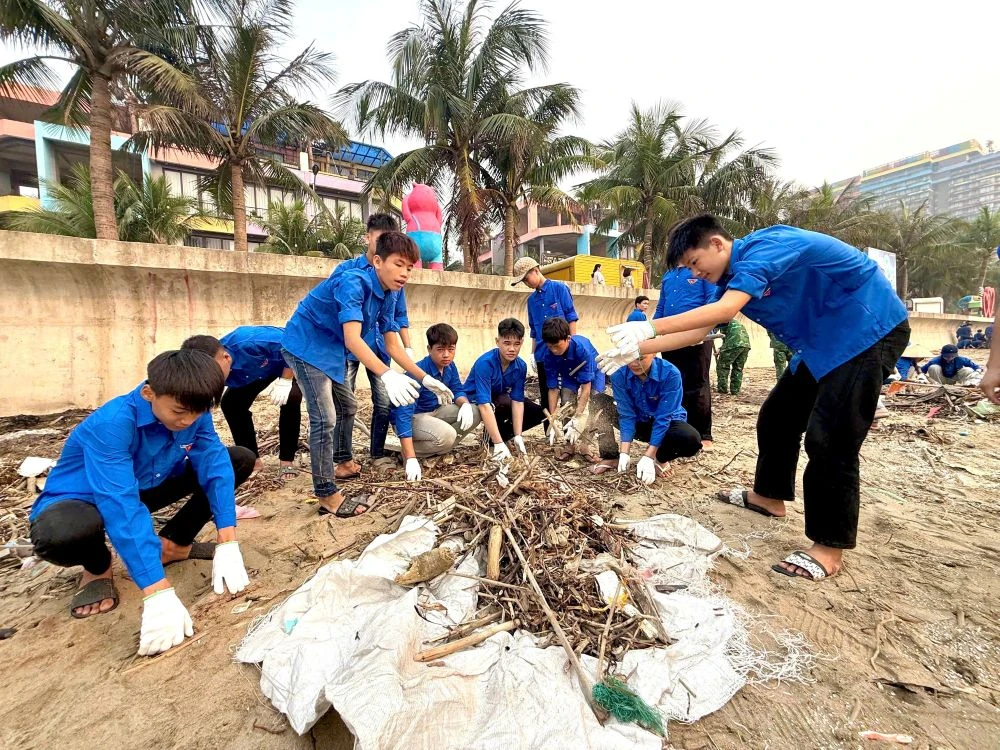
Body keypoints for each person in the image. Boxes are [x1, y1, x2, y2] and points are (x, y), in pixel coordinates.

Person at [601, 215, 909, 582]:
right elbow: (698, 331)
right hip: (821, 343)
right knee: (777, 417)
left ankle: (829, 548)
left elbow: (724, 311)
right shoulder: (728, 280)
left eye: (695, 263)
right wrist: (637, 349)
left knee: (830, 438)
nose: (696, 274)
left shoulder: (768, 247)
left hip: (868, 330)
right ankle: (768, 496)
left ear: (717, 244)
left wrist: (649, 326)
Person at [28, 350, 254, 655]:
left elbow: (213, 463)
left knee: (237, 460)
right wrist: (157, 591)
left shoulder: (193, 410)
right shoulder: (112, 424)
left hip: (147, 484)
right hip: (87, 499)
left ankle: (173, 545)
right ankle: (98, 567)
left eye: (197, 413)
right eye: (180, 412)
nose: (188, 421)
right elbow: (120, 503)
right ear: (149, 393)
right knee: (62, 533)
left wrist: (228, 539)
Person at [281, 232, 453, 516]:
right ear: (378, 261)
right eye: (398, 264)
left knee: (348, 405)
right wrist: (386, 374)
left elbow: (391, 344)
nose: (405, 273)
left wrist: (425, 378)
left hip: (332, 349)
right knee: (325, 417)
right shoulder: (353, 283)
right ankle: (326, 493)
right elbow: (353, 339)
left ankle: (343, 463)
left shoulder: (390, 293)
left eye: (410, 267)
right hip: (305, 345)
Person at [328, 214, 416, 479]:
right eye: (379, 239)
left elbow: (399, 316)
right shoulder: (347, 272)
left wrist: (407, 348)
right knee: (345, 404)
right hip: (348, 348)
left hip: (380, 348)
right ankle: (343, 458)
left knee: (384, 403)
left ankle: (377, 454)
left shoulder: (396, 277)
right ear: (368, 238)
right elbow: (336, 312)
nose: (384, 244)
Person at [181, 327, 302, 480]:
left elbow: (295, 343)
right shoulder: (205, 370)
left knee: (291, 398)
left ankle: (286, 460)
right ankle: (253, 460)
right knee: (231, 404)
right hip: (257, 371)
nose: (212, 379)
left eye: (214, 373)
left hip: (289, 361)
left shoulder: (252, 341)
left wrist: (285, 380)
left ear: (226, 357)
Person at [589, 351, 702, 482]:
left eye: (640, 358)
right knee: (599, 402)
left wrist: (649, 456)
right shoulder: (619, 373)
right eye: (629, 358)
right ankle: (610, 456)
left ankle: (660, 458)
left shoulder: (670, 374)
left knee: (690, 439)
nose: (634, 363)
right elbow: (626, 414)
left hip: (666, 425)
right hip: (639, 421)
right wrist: (625, 452)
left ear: (654, 353)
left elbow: (663, 418)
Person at [390, 323, 481, 459]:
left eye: (451, 349)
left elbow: (457, 389)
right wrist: (410, 457)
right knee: (447, 435)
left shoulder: (450, 366)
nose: (446, 355)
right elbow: (403, 414)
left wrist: (465, 404)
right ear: (429, 349)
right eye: (440, 350)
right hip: (412, 418)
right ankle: (407, 452)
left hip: (435, 412)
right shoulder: (417, 372)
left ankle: (442, 447)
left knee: (475, 411)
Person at [511, 256, 579, 430]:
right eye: (523, 281)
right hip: (543, 354)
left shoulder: (559, 289)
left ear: (536, 270)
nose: (526, 283)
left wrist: (573, 344)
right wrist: (533, 353)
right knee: (546, 392)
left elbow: (571, 318)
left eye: (526, 278)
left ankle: (568, 432)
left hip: (564, 352)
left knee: (568, 392)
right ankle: (550, 431)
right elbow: (534, 330)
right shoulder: (531, 301)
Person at [464, 318, 544, 461]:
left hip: (498, 398)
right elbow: (484, 404)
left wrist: (518, 435)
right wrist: (498, 443)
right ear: (497, 341)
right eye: (507, 343)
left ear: (522, 343)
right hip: (476, 401)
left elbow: (518, 400)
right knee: (502, 402)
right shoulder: (485, 363)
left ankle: (505, 436)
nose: (512, 349)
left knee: (539, 412)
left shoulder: (520, 366)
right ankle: (494, 441)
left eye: (516, 344)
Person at [653, 267, 716, 447]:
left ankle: (704, 434)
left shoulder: (701, 270)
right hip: (671, 336)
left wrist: (704, 329)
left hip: (698, 335)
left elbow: (712, 300)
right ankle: (680, 429)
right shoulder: (668, 275)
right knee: (673, 381)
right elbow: (661, 306)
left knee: (698, 384)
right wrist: (652, 331)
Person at [540, 317, 606, 461]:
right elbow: (553, 389)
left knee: (596, 404)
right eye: (550, 347)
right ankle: (569, 445)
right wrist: (552, 419)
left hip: (594, 372)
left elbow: (586, 388)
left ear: (568, 339)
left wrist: (578, 416)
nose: (554, 350)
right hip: (569, 374)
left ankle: (585, 445)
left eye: (557, 346)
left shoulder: (582, 350)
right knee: (566, 402)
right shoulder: (548, 354)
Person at [716, 319, 751, 395]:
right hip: (745, 345)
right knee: (738, 368)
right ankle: (735, 391)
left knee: (722, 366)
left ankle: (722, 389)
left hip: (733, 344)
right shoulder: (734, 322)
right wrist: (721, 348)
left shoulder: (722, 321)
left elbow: (725, 338)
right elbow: (729, 337)